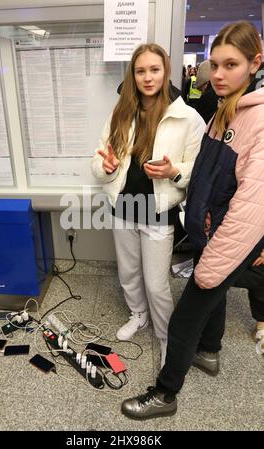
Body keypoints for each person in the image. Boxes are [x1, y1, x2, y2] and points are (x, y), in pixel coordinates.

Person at [121, 21, 264, 420]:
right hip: (206, 230)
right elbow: (204, 175)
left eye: (230, 64)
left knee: (186, 316)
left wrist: (213, 261)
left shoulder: (258, 122)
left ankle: (165, 394)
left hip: (227, 238)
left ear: (256, 62)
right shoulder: (226, 110)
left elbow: (253, 206)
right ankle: (210, 352)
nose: (218, 75)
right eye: (214, 64)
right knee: (213, 301)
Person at [91, 43, 205, 365]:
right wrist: (107, 167)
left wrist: (174, 171)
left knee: (156, 285)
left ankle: (168, 337)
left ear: (165, 71)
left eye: (154, 70)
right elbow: (99, 160)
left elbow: (194, 170)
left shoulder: (188, 118)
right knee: (128, 273)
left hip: (158, 211)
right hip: (123, 207)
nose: (147, 77)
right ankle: (138, 315)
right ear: (133, 75)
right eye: (140, 71)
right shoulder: (120, 111)